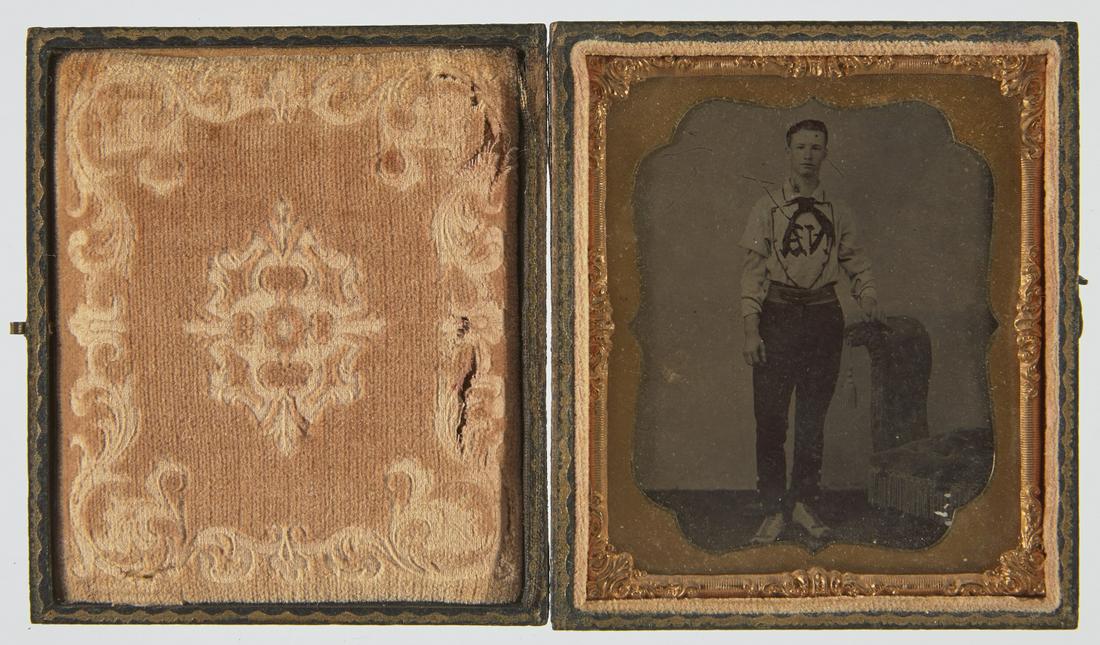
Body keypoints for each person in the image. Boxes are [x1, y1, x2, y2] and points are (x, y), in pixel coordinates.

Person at [739, 119, 884, 544]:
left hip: (823, 319)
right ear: (788, 152)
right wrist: (751, 330)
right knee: (770, 419)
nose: (808, 155)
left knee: (811, 420)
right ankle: (772, 509)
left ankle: (803, 503)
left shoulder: (839, 212)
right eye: (800, 147)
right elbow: (752, 275)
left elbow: (857, 262)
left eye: (816, 147)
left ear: (825, 154)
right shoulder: (766, 207)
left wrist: (867, 297)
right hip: (778, 318)